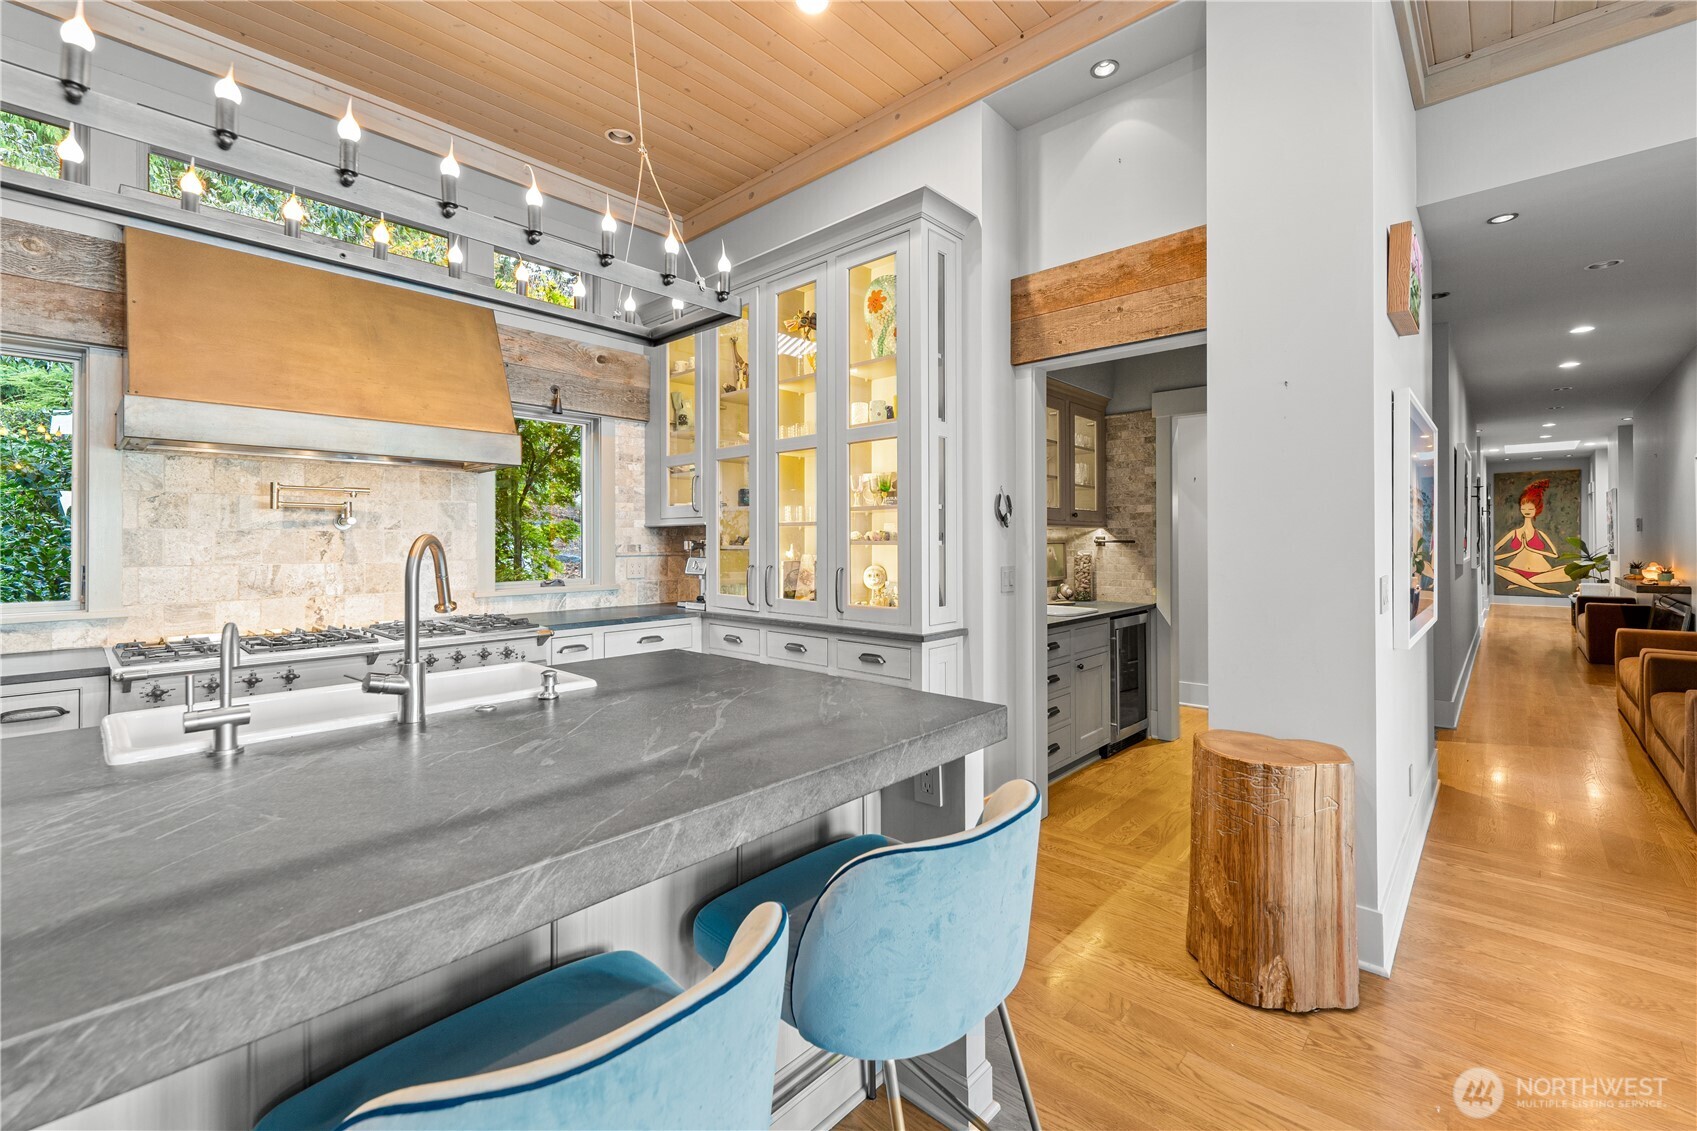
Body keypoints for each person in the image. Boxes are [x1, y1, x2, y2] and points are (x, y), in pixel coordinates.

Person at [1493, 479, 1569, 595]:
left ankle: (1523, 582)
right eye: (1523, 509)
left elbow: (1555, 554)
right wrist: (1516, 551)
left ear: (1536, 510)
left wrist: (1529, 548)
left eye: (1530, 509)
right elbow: (1492, 556)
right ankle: (1542, 588)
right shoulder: (1514, 533)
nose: (1526, 511)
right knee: (1495, 567)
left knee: (1568, 570)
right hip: (1516, 571)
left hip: (1542, 572)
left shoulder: (1540, 534)